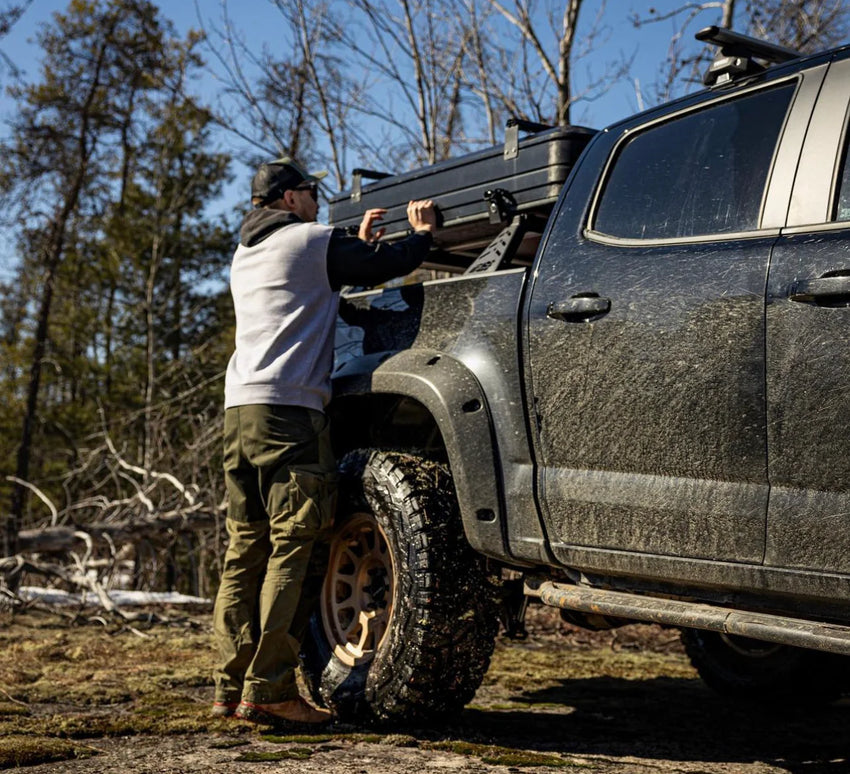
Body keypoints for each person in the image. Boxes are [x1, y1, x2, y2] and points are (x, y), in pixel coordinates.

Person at [212, 156, 437, 726]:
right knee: (296, 545)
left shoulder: (246, 254)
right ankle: (270, 689)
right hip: (289, 415)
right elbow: (394, 259)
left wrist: (349, 245)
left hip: (239, 413)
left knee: (245, 550)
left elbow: (319, 285)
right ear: (290, 199)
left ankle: (230, 684)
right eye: (312, 192)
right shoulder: (311, 241)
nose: (318, 200)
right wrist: (424, 231)